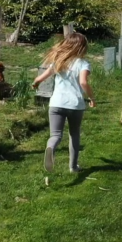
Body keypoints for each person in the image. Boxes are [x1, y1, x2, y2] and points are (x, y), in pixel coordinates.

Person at [32, 32, 96, 173]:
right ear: (82, 47)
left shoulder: (59, 61)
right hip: (75, 105)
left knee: (55, 135)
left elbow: (41, 78)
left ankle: (51, 148)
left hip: (56, 104)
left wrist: (36, 83)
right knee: (74, 134)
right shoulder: (83, 64)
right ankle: (73, 167)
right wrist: (92, 98)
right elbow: (83, 82)